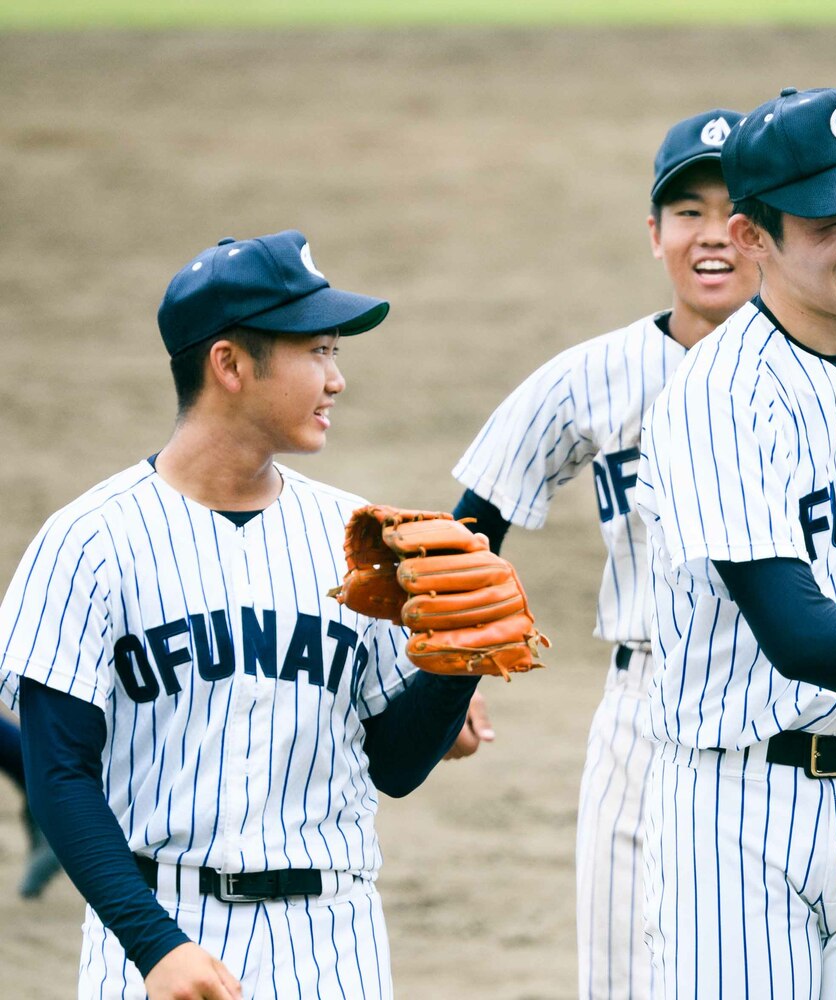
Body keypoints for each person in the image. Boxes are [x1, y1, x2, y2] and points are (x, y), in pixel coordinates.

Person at [0, 231, 485, 999]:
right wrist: (153, 944)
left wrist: (454, 662)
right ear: (228, 364)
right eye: (317, 352)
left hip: (335, 938)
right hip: (159, 927)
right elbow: (58, 773)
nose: (337, 380)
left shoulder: (359, 536)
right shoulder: (89, 543)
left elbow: (395, 765)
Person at [634, 86, 836, 998]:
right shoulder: (717, 395)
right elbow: (797, 629)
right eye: (829, 219)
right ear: (751, 238)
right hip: (741, 810)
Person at [449, 107, 757, 998]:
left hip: (788, 708)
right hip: (646, 708)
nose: (711, 235)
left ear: (772, 231)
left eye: (735, 211)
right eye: (686, 211)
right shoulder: (596, 375)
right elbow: (473, 523)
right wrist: (452, 676)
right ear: (653, 232)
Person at [1, 712, 62, 897]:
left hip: (47, 778)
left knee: (54, 845)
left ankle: (30, 888)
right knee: (43, 837)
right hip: (38, 781)